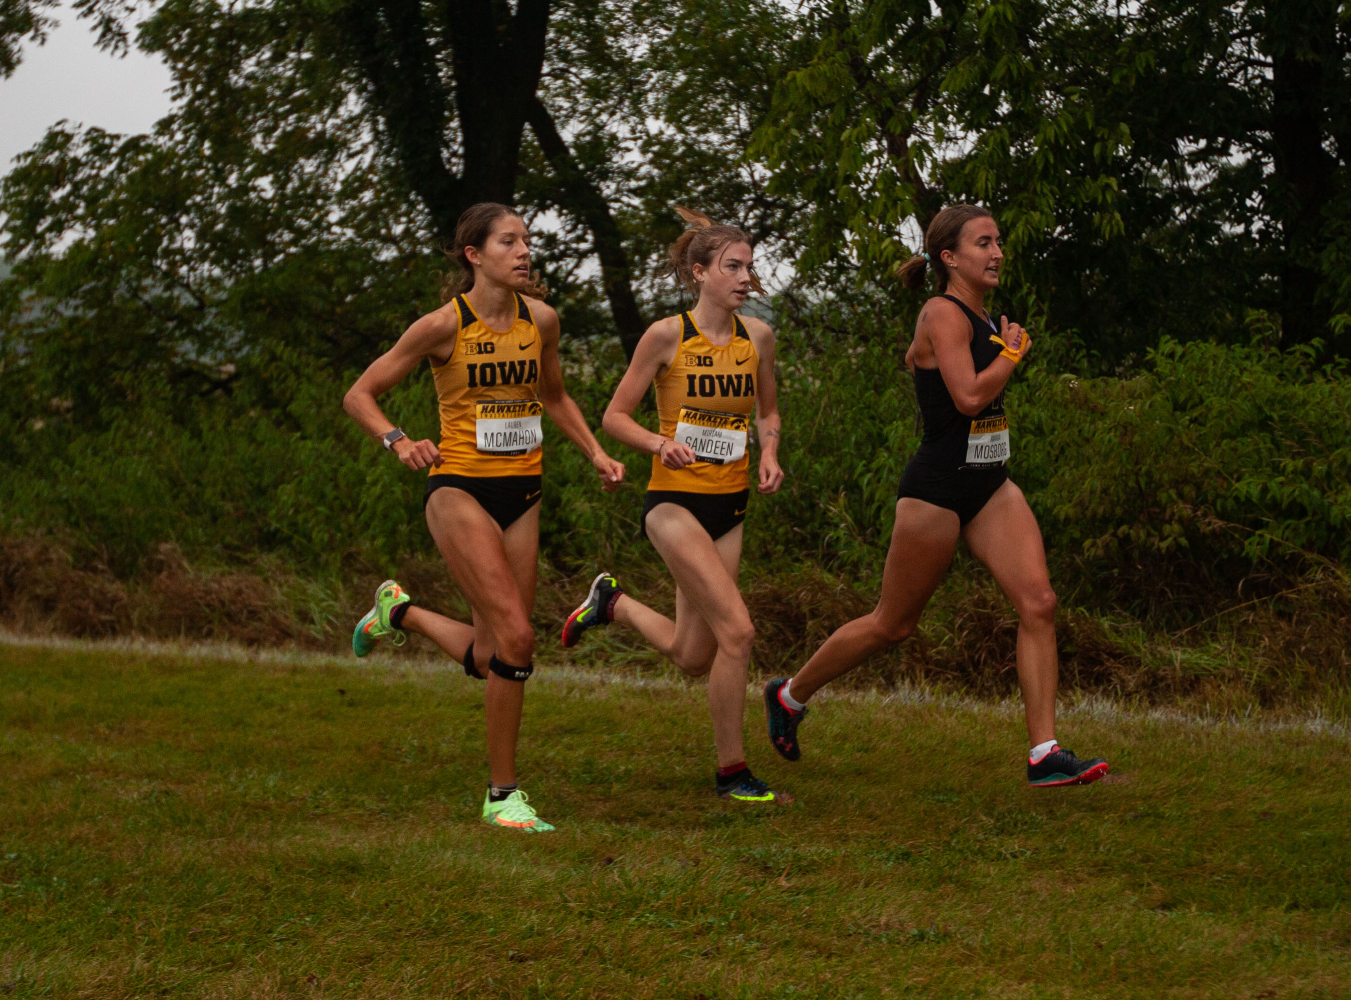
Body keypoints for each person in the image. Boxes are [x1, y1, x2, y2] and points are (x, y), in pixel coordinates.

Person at [761, 204, 1108, 787]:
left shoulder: (978, 317)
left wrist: (949, 356)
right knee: (893, 625)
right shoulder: (942, 312)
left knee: (1039, 602)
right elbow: (971, 397)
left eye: (998, 241)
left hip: (990, 481)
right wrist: (1012, 355)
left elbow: (919, 362)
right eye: (983, 243)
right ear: (950, 258)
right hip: (938, 490)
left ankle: (1045, 753)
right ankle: (790, 695)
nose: (997, 252)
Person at [342, 202, 626, 832]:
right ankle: (503, 794)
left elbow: (553, 396)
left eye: (527, 239)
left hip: (523, 492)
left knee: (489, 654)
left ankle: (400, 612)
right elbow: (359, 394)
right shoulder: (442, 326)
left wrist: (597, 452)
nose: (524, 250)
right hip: (458, 488)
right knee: (520, 640)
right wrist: (399, 440)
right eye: (508, 241)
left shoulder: (541, 321)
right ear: (475, 255)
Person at [559, 207, 789, 805]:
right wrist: (661, 442)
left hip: (729, 506)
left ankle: (613, 604)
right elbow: (613, 417)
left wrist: (769, 452)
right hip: (672, 505)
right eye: (732, 266)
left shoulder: (757, 338)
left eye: (749, 266)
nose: (746, 277)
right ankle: (732, 772)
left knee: (694, 653)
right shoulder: (666, 336)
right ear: (699, 272)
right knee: (738, 632)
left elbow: (767, 412)